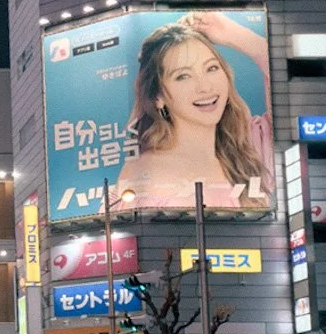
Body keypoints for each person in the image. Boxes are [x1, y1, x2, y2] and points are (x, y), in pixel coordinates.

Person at [116, 12, 273, 211]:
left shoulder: (247, 146)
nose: (205, 87)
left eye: (212, 68)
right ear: (157, 97)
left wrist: (235, 35)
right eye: (183, 76)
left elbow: (296, 102)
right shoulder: (145, 174)